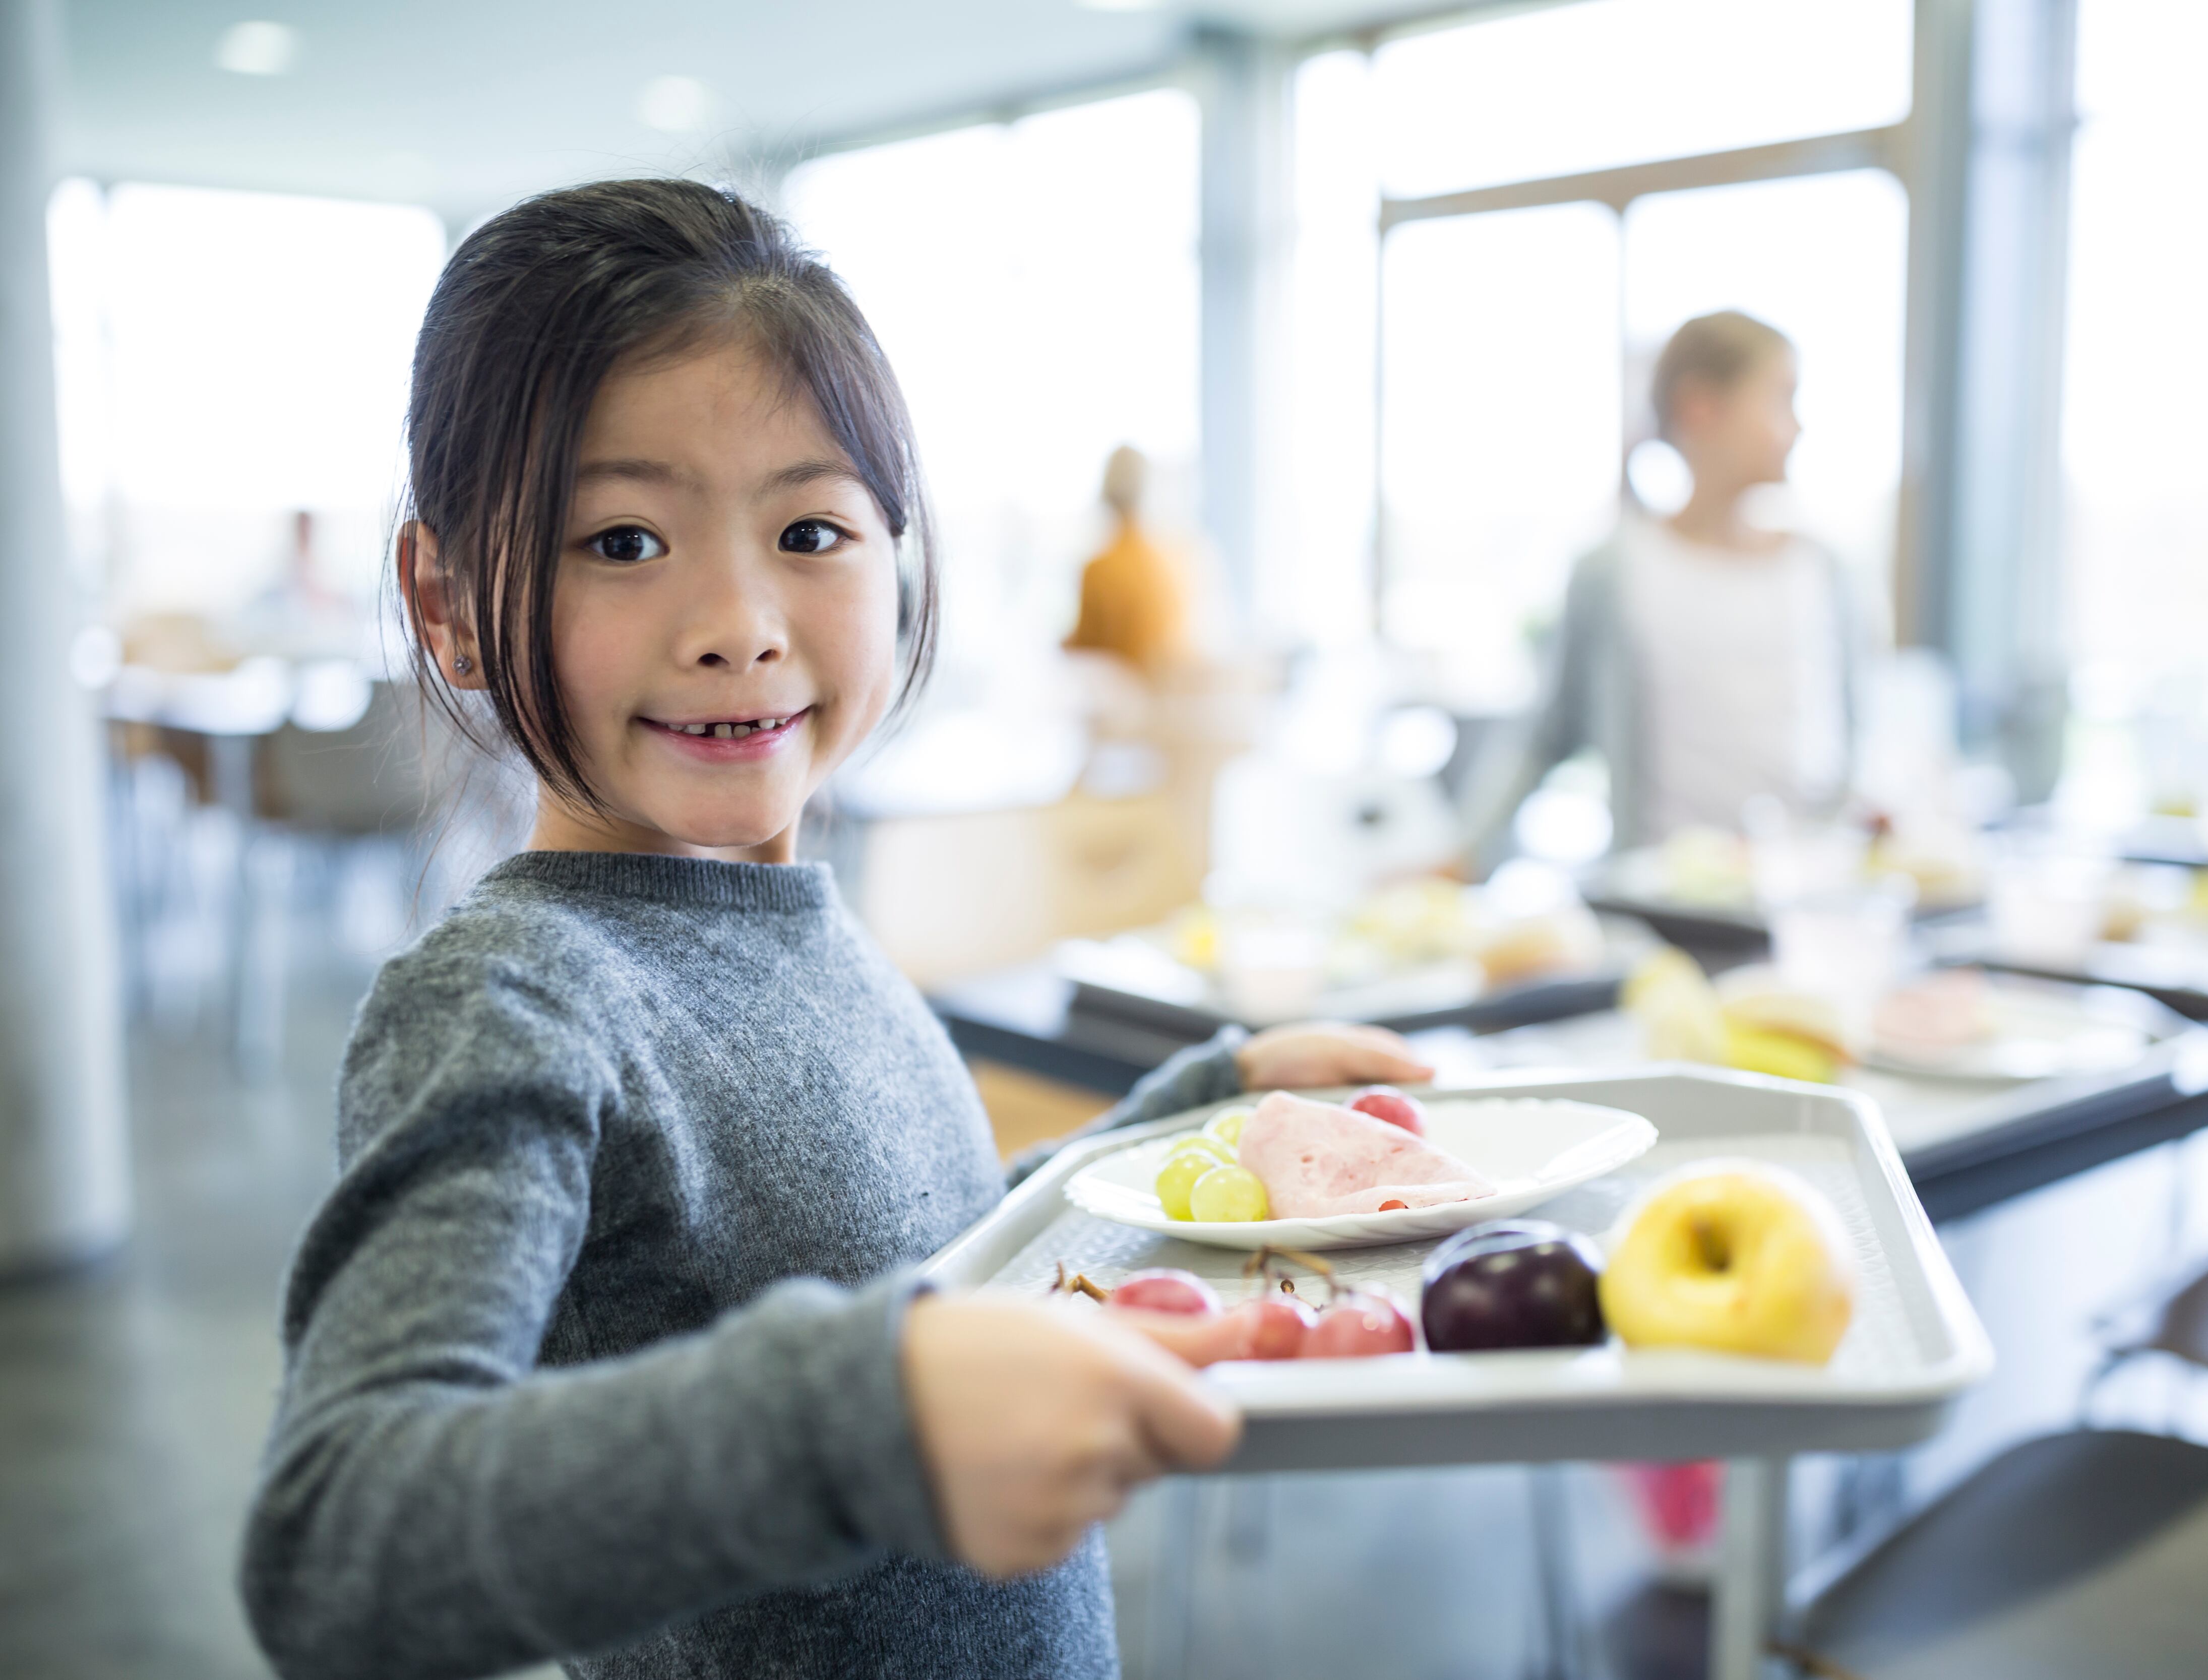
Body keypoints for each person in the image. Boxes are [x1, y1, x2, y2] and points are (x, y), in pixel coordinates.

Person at [238, 179, 1430, 1680]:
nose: (737, 619)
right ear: (449, 600)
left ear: (899, 554)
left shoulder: (787, 913)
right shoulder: (514, 998)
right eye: (620, 541)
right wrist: (862, 1417)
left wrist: (1177, 1135)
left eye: (809, 527)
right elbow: (342, 1547)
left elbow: (905, 1262)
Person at [1464, 310, 1865, 867]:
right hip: (1662, 901)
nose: (1796, 427)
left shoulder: (1820, 570)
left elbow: (1851, 745)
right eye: (1780, 399)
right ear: (1699, 406)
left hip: (1805, 892)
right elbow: (1547, 737)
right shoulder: (1614, 569)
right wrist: (1465, 855)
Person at [1064, 443, 1195, 673]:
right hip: (1166, 693)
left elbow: (1087, 643)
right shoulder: (1173, 562)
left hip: (1124, 694)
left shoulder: (1099, 569)